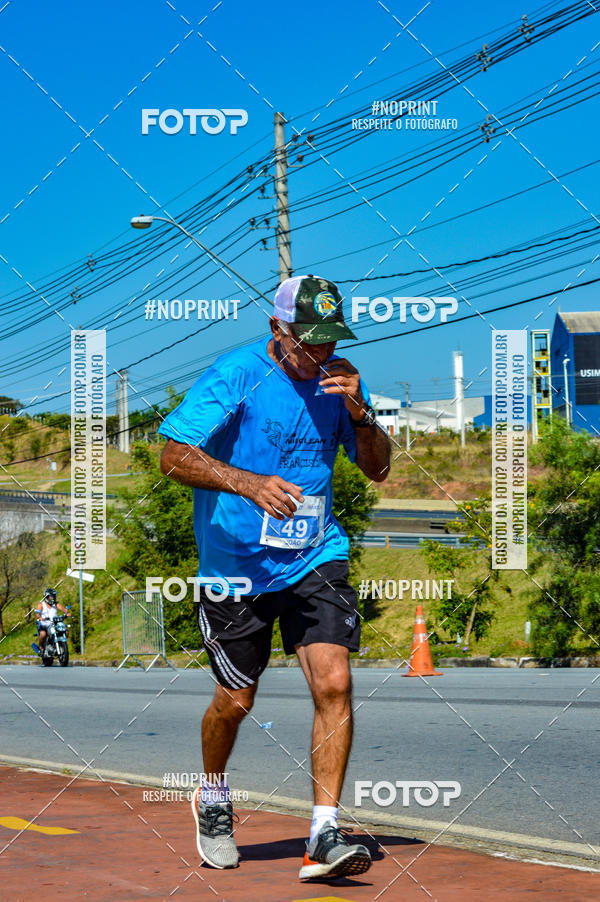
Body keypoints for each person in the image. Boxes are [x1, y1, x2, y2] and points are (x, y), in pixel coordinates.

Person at [159, 274, 390, 879]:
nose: (317, 354)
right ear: (275, 329)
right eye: (306, 342)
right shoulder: (236, 373)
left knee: (334, 682)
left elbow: (378, 472)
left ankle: (324, 834)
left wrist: (361, 414)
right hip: (236, 566)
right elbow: (173, 455)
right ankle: (212, 795)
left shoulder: (338, 381)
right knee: (236, 700)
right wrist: (248, 482)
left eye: (328, 341)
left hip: (316, 554)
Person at [34, 588, 69, 656]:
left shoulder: (56, 604)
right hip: (44, 625)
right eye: (51, 596)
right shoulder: (41, 604)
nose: (53, 598)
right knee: (43, 634)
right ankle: (42, 648)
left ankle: (61, 646)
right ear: (46, 597)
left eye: (54, 596)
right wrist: (39, 617)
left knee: (66, 631)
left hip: (54, 624)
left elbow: (64, 609)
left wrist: (67, 613)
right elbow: (37, 613)